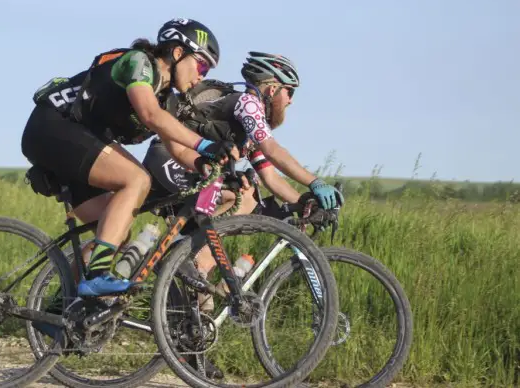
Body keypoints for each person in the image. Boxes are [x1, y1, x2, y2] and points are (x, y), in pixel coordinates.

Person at [21, 18, 238, 298]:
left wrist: (207, 164)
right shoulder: (138, 63)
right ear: (177, 53)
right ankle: (98, 276)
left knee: (115, 229)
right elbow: (149, 114)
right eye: (202, 65)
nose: (201, 77)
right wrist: (207, 143)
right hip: (52, 126)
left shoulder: (166, 99)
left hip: (79, 138)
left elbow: (178, 147)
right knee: (136, 180)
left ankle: (63, 308)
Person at [143, 51, 344, 307]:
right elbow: (273, 150)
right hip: (170, 155)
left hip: (191, 167)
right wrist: (316, 183)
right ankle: (188, 260)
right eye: (289, 92)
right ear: (272, 89)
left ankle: (184, 286)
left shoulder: (249, 129)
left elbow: (270, 176)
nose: (291, 101)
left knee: (249, 193)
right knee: (243, 197)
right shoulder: (248, 104)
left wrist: (306, 202)